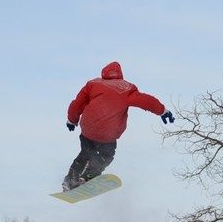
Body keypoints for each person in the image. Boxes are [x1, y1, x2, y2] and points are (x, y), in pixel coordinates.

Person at [62, 61, 174, 191]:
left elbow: (77, 104)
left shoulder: (93, 84)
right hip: (107, 134)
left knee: (85, 154)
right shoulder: (126, 88)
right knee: (105, 156)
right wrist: (162, 111)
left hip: (88, 129)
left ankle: (70, 180)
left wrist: (72, 120)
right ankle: (87, 178)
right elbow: (147, 101)